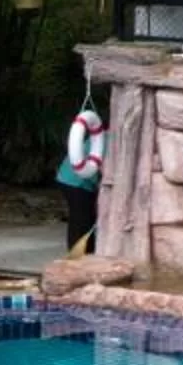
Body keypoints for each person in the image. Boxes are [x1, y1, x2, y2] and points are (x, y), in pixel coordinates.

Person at [57, 93, 104, 250]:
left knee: (86, 217)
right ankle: (78, 255)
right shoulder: (109, 139)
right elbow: (105, 171)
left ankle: (88, 250)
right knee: (81, 218)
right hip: (74, 181)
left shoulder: (104, 136)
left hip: (71, 177)